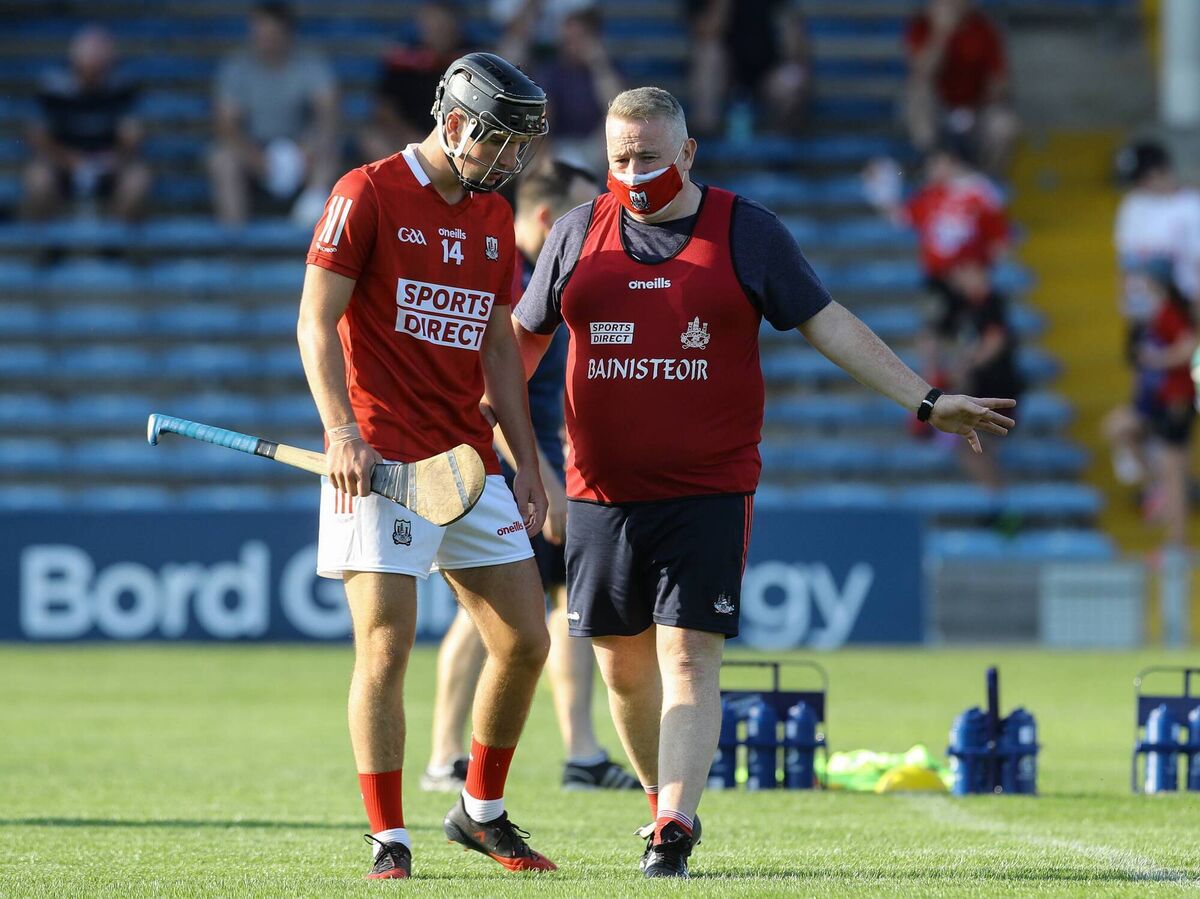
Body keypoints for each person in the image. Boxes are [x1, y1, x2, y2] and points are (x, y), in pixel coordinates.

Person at [511, 86, 1016, 878]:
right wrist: (503, 442)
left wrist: (925, 398)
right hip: (599, 492)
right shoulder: (575, 232)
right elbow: (517, 350)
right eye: (619, 158)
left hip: (709, 486)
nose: (632, 171)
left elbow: (828, 322)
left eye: (648, 156)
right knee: (622, 663)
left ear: (685, 154)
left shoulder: (746, 230)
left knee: (688, 656)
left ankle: (673, 823)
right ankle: (660, 803)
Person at [296, 51, 556, 880]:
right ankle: (388, 836)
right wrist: (340, 431)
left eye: (519, 147)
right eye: (501, 141)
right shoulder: (364, 193)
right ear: (453, 123)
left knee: (524, 641)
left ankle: (479, 812)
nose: (512, 161)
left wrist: (525, 457)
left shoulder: (489, 213)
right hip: (377, 457)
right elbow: (314, 320)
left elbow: (495, 344)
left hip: (467, 459)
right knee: (387, 647)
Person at [421, 160, 640, 794]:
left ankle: (581, 753)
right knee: (485, 609)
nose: (596, 228)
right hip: (506, 468)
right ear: (547, 219)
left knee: (570, 604)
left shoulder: (556, 279)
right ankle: (444, 757)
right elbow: (480, 397)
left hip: (552, 464)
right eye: (583, 215)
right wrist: (537, 472)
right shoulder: (504, 279)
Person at [209, 1, 339, 225]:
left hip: (300, 147)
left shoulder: (310, 63)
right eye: (258, 31)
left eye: (270, 33)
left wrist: (309, 147)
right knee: (222, 160)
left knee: (329, 152)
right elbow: (226, 123)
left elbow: (328, 113)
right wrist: (254, 157)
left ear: (287, 33)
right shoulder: (237, 66)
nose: (263, 39)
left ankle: (310, 230)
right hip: (254, 148)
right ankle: (235, 243)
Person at [1103, 261, 1196, 545]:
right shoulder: (1143, 321)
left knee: (1174, 471)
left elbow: (1190, 345)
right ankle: (1155, 487)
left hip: (1175, 400)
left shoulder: (1168, 313)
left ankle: (1176, 542)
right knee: (1118, 427)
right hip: (1152, 400)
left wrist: (1161, 359)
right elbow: (1138, 368)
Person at [23, 25, 150, 223]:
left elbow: (133, 134)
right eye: (90, 59)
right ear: (74, 60)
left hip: (110, 165)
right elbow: (37, 135)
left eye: (101, 60)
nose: (95, 66)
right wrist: (70, 161)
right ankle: (50, 247)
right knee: (37, 178)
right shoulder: (53, 88)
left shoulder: (123, 88)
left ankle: (113, 245)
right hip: (62, 164)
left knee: (138, 179)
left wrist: (113, 159)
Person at [903, 0, 1018, 177]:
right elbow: (922, 72)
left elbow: (1000, 81)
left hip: (976, 110)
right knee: (917, 92)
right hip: (937, 113)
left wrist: (979, 106)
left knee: (1004, 125)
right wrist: (941, 33)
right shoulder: (921, 26)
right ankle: (932, 160)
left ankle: (986, 180)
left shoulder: (984, 28)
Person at [358, 1, 467, 163]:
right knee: (371, 138)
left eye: (443, 23)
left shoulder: (472, 59)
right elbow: (384, 109)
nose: (437, 29)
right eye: (431, 22)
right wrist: (411, 137)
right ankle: (405, 186)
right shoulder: (403, 59)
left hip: (459, 138)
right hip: (408, 139)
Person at [684, 0, 811, 137]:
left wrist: (792, 42)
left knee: (793, 78)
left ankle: (778, 146)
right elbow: (705, 32)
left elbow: (797, 50)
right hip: (725, 74)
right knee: (708, 54)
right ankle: (705, 137)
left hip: (766, 74)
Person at [530, 9, 623, 172]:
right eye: (567, 40)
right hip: (560, 145)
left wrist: (598, 64)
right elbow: (543, 119)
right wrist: (545, 154)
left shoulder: (606, 68)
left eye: (578, 39)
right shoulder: (552, 72)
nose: (571, 45)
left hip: (596, 145)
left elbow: (618, 107)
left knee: (616, 125)